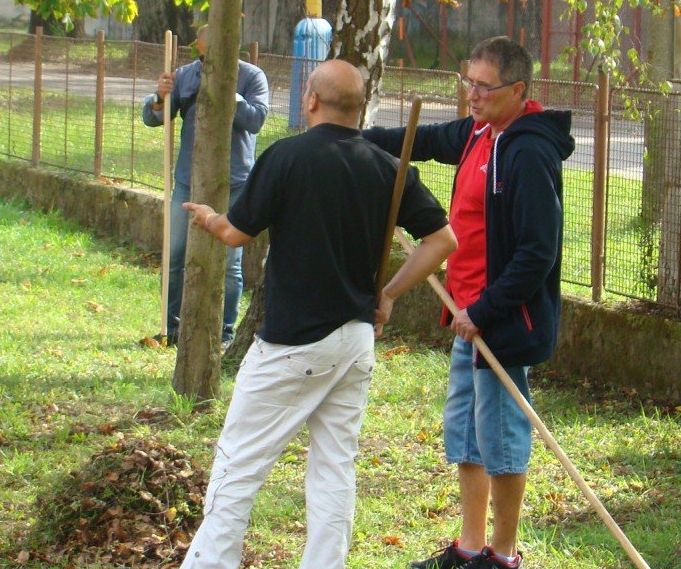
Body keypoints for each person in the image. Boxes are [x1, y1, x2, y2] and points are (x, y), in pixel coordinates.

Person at [179, 59, 457, 569]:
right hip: (354, 342)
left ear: (310, 100)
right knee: (334, 469)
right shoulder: (387, 168)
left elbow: (235, 234)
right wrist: (389, 293)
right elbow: (443, 240)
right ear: (360, 108)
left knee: (236, 467)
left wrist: (209, 218)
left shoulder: (287, 156)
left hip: (293, 344)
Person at [363, 36, 575, 569]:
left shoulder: (527, 151)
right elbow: (424, 138)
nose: (472, 95)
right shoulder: (481, 132)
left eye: (484, 86)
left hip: (497, 320)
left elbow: (537, 253)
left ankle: (502, 556)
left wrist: (484, 312)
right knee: (466, 434)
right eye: (468, 82)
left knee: (501, 437)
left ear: (519, 90)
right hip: (465, 314)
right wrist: (354, 138)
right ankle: (470, 546)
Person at [143, 24, 269, 346]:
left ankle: (224, 335)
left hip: (235, 182)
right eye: (207, 43)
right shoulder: (185, 75)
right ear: (198, 45)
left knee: (230, 264)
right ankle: (171, 329)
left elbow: (256, 120)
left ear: (234, 43)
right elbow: (154, 118)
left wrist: (228, 91)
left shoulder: (252, 76)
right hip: (188, 180)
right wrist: (160, 97)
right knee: (175, 255)